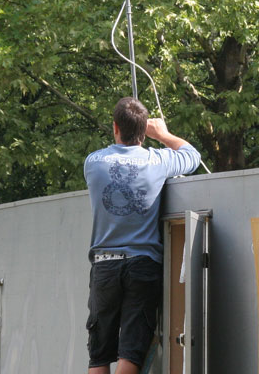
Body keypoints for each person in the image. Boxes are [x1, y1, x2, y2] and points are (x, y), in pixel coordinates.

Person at [84, 97, 201, 374]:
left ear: (115, 127)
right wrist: (163, 135)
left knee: (99, 357)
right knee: (131, 354)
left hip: (105, 265)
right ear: (144, 131)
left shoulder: (93, 162)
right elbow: (192, 156)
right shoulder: (157, 160)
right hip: (143, 266)